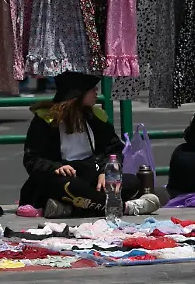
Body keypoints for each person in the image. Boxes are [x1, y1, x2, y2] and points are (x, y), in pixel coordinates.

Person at [19, 72, 161, 218]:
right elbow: (32, 159)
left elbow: (114, 149)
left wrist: (106, 172)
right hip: (60, 180)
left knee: (132, 182)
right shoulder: (45, 121)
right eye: (92, 88)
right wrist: (56, 168)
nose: (96, 91)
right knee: (69, 186)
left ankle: (69, 209)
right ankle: (125, 207)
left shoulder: (94, 117)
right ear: (78, 93)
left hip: (91, 176)